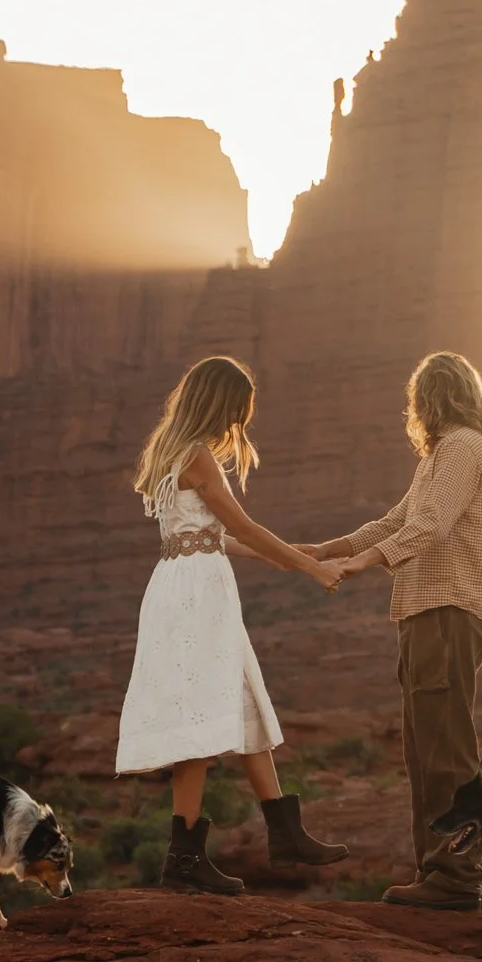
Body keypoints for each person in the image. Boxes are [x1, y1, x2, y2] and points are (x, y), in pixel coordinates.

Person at [117, 354, 350, 894]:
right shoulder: (196, 455)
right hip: (197, 595)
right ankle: (184, 859)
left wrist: (287, 554)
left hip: (186, 585)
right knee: (200, 715)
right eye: (236, 411)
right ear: (218, 403)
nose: (236, 424)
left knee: (243, 700)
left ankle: (284, 832)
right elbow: (241, 526)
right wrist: (310, 568)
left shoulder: (170, 449)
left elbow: (212, 537)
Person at [302, 351, 482, 911]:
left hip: (446, 614)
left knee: (446, 753)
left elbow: (431, 525)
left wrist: (363, 563)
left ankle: (456, 876)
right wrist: (330, 548)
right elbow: (396, 521)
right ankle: (436, 871)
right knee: (424, 753)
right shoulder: (441, 456)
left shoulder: (462, 446)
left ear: (431, 398)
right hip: (426, 615)